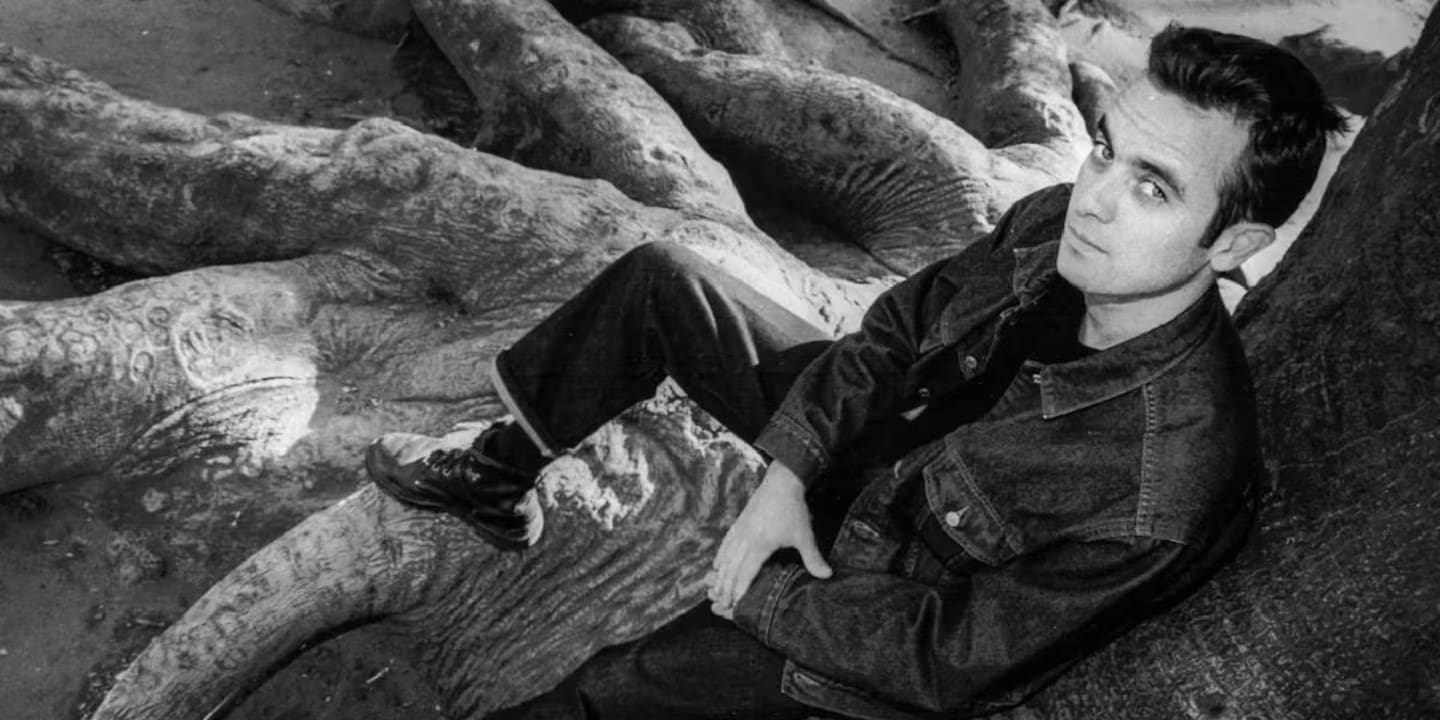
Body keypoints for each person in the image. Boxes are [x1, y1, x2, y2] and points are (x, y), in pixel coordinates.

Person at [365, 24, 1347, 719]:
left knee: (611, 691)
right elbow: (901, 328)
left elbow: (950, 656)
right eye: (1104, 152)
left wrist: (762, 594)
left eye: (1153, 189)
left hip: (880, 589)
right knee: (664, 281)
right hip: (869, 448)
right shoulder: (1054, 221)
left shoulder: (1161, 485)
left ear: (1234, 244)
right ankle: (496, 477)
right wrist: (789, 468)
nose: (1094, 200)